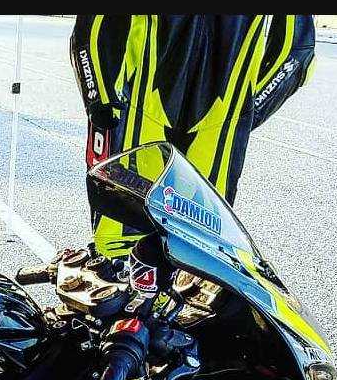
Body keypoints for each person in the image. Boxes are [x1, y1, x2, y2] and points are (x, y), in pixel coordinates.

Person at [70, 15, 316, 259]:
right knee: (120, 253)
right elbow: (92, 27)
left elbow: (298, 52)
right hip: (145, 111)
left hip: (204, 121)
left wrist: (250, 108)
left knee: (200, 257)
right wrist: (98, 93)